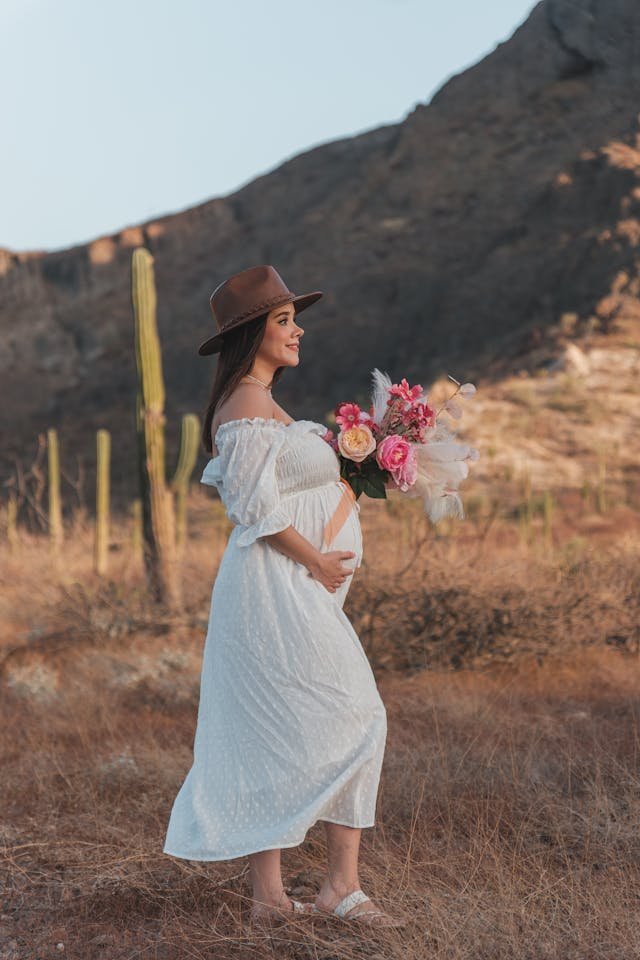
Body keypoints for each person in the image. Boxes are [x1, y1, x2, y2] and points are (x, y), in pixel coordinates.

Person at [163, 265, 404, 930]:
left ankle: (281, 898)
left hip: (294, 587)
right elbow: (252, 508)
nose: (298, 331)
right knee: (356, 713)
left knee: (282, 727)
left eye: (295, 320)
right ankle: (334, 889)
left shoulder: (262, 402)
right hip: (270, 589)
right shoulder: (244, 404)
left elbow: (296, 494)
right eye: (284, 321)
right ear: (253, 334)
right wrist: (317, 561)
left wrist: (370, 467)